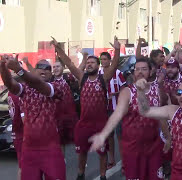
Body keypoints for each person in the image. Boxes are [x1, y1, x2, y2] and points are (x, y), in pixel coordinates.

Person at [89, 58, 170, 180]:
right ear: (133, 73)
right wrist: (103, 135)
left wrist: (168, 137)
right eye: (137, 69)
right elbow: (117, 114)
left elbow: (160, 116)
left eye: (144, 69)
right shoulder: (128, 92)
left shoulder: (156, 90)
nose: (140, 72)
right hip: (133, 149)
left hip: (153, 147)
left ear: (151, 72)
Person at [51, 36, 120, 180]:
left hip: (100, 124)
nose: (89, 64)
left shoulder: (104, 78)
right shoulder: (82, 77)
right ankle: (80, 174)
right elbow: (69, 64)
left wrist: (117, 49)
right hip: (83, 124)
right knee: (81, 152)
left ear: (98, 65)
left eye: (92, 62)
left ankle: (102, 176)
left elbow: (114, 66)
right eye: (88, 62)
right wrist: (58, 47)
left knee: (102, 153)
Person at [0, 55, 66, 180]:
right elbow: (10, 84)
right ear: (34, 71)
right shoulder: (25, 90)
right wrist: (3, 67)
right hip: (29, 150)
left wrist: (19, 70)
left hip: (51, 149)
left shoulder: (56, 87)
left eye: (47, 68)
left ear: (50, 73)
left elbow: (38, 84)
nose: (44, 70)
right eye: (40, 67)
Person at [99, 51, 127, 169]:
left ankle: (124, 162)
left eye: (105, 59)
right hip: (104, 110)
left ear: (110, 60)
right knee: (109, 136)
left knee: (120, 135)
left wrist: (115, 93)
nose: (103, 61)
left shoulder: (117, 73)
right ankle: (112, 160)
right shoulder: (98, 74)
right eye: (102, 59)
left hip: (117, 109)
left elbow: (125, 89)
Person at [52, 60, 78, 152]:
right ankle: (63, 162)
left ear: (63, 68)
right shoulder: (50, 82)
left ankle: (81, 163)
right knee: (60, 142)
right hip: (57, 117)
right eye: (54, 67)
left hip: (71, 116)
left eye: (58, 66)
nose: (55, 69)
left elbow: (79, 73)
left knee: (77, 140)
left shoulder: (68, 77)